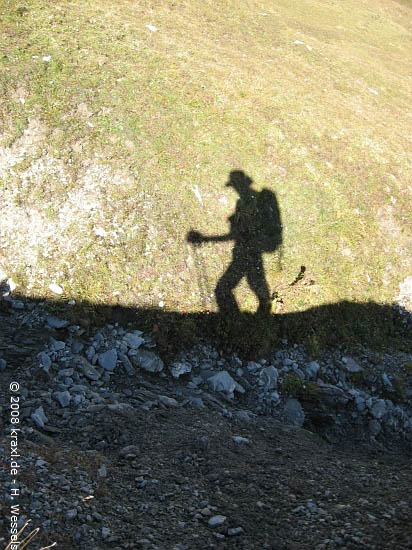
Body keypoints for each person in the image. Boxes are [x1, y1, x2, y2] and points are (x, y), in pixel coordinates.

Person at [187, 170, 282, 316]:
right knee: (255, 292)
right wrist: (205, 239)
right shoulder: (241, 204)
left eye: (236, 184)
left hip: (250, 253)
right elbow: (235, 234)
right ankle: (251, 324)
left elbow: (264, 230)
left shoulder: (260, 201)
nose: (236, 188)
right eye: (234, 185)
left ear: (245, 183)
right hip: (245, 253)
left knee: (224, 289)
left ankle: (240, 325)